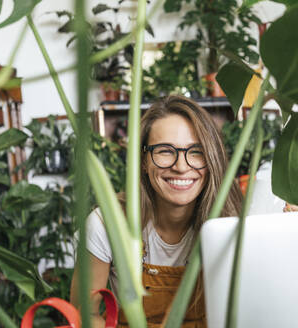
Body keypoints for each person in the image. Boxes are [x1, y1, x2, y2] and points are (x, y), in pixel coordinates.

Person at [70, 95, 242, 327]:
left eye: (196, 151)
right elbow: (84, 315)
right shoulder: (107, 224)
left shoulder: (230, 224)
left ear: (212, 158)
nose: (181, 167)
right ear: (143, 160)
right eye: (164, 151)